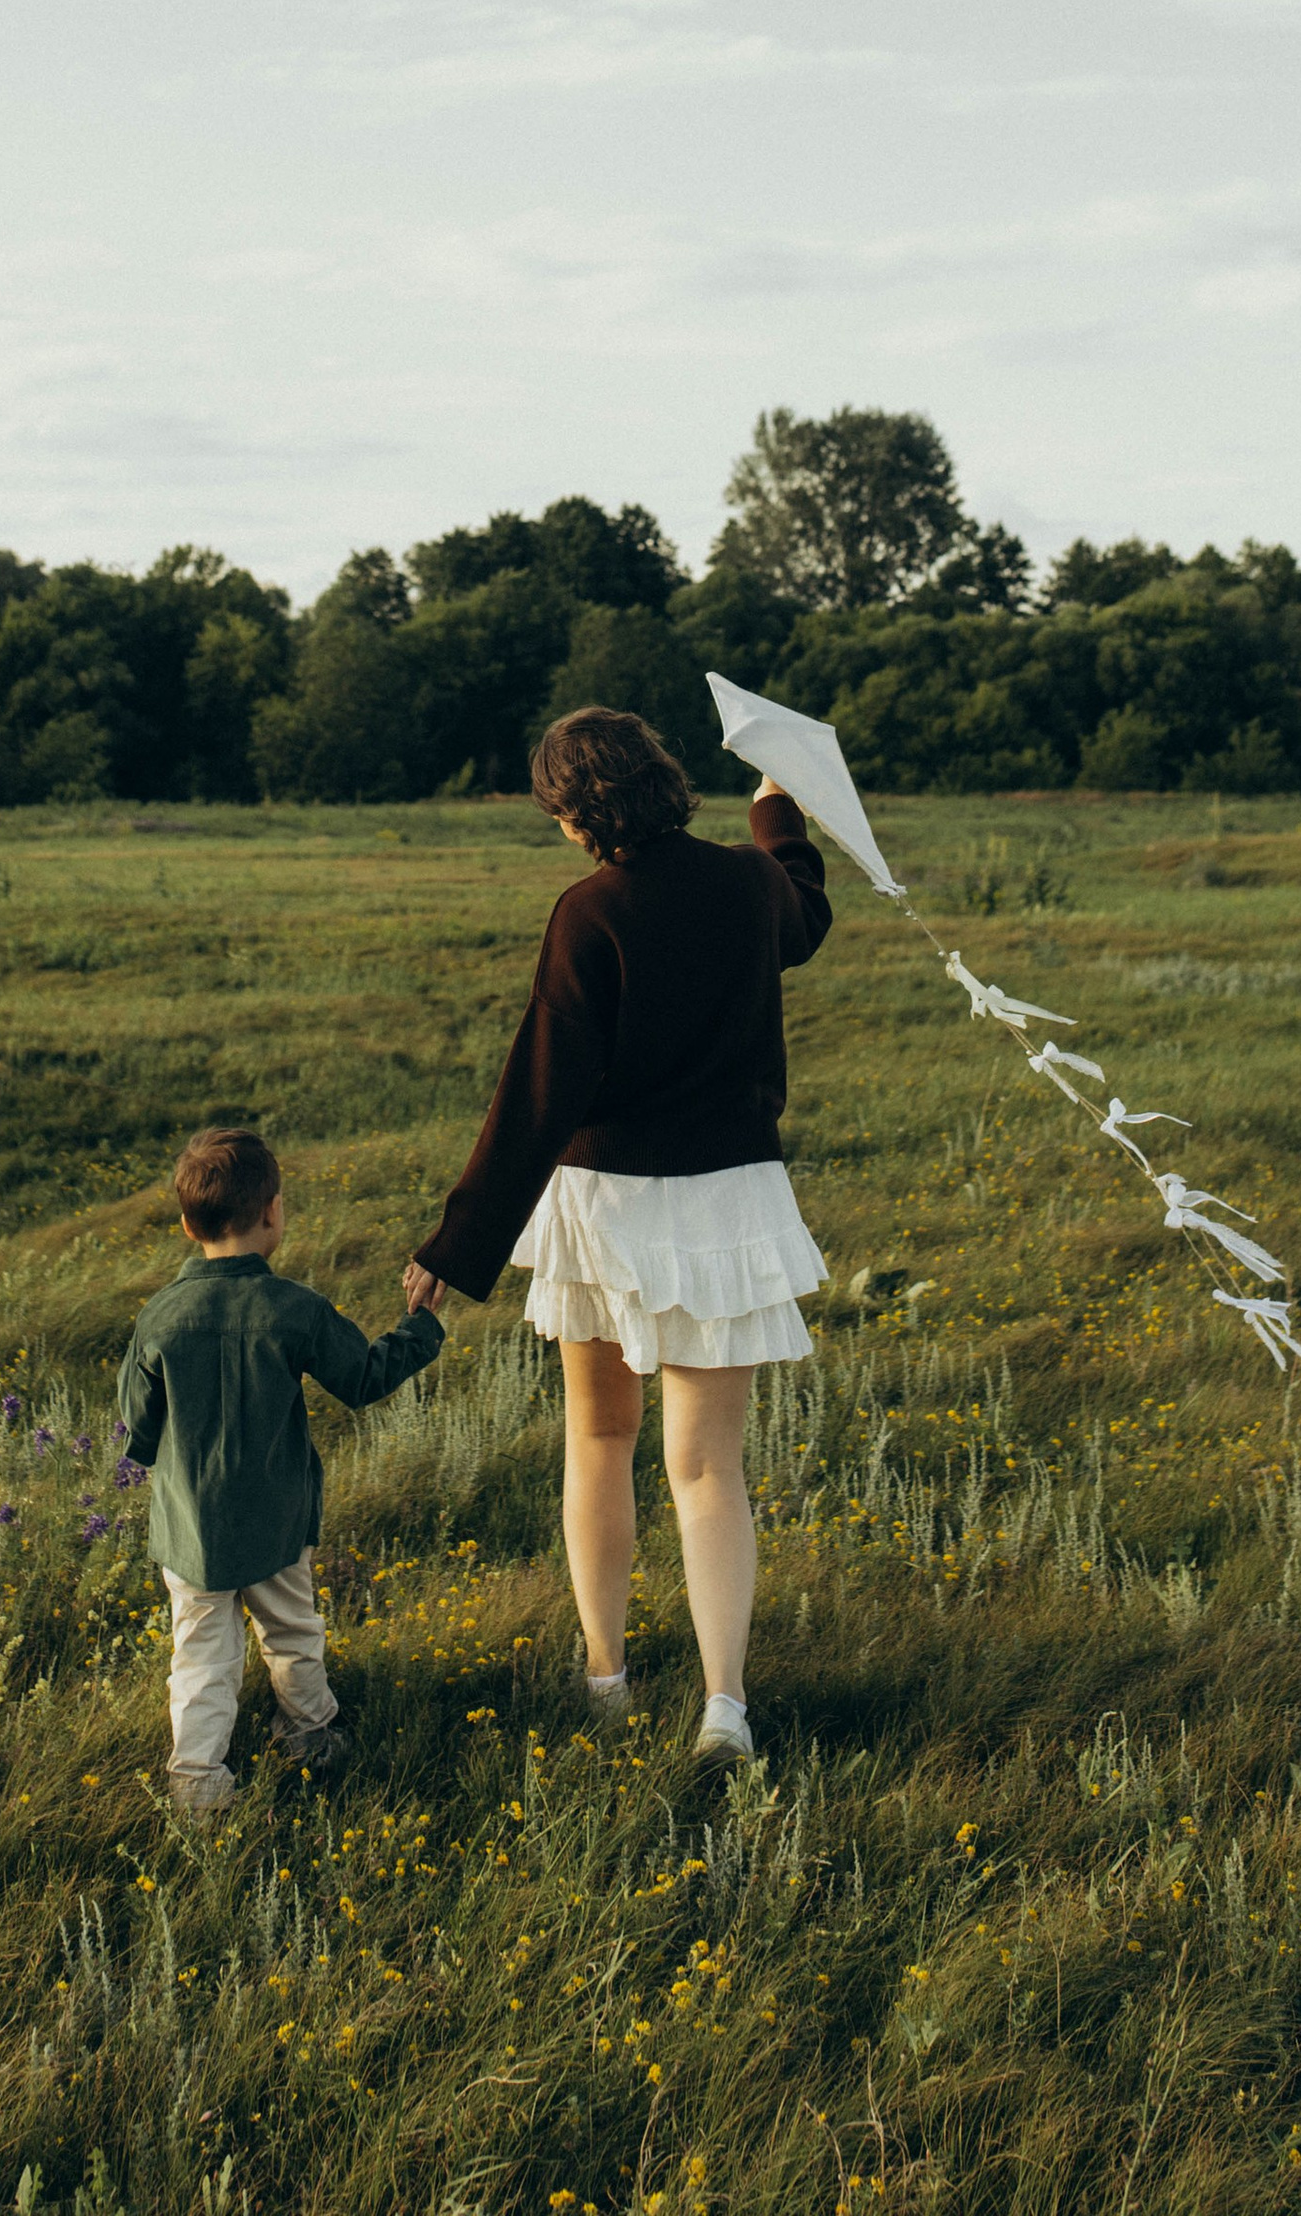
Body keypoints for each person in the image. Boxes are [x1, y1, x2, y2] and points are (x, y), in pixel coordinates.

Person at [405, 704, 830, 1763]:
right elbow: (805, 916)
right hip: (727, 1204)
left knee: (599, 1441)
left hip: (605, 1207)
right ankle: (723, 1704)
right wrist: (776, 814)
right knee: (709, 1468)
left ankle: (605, 1678)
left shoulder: (586, 913)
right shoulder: (746, 884)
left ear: (571, 815)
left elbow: (539, 1095)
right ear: (663, 778)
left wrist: (457, 1248)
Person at [119, 1123, 446, 1815]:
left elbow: (138, 1423)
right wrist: (419, 1325)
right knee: (293, 1634)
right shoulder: (293, 1309)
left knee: (202, 1657)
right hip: (276, 1522)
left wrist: (155, 1454)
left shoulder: (160, 1318)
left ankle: (199, 1781)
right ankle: (310, 1737)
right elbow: (363, 1377)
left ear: (187, 1225)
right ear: (271, 1212)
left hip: (190, 1530)